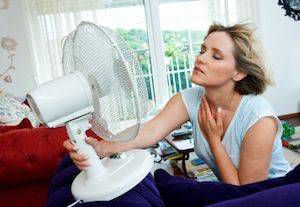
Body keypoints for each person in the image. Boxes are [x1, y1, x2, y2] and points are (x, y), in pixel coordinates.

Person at [63, 23, 291, 186]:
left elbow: (247, 194)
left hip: (274, 196)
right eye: (203, 50)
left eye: (216, 56)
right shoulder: (191, 98)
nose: (200, 58)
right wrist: (102, 146)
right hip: (230, 190)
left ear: (239, 72)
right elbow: (149, 131)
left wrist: (214, 141)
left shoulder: (258, 119)